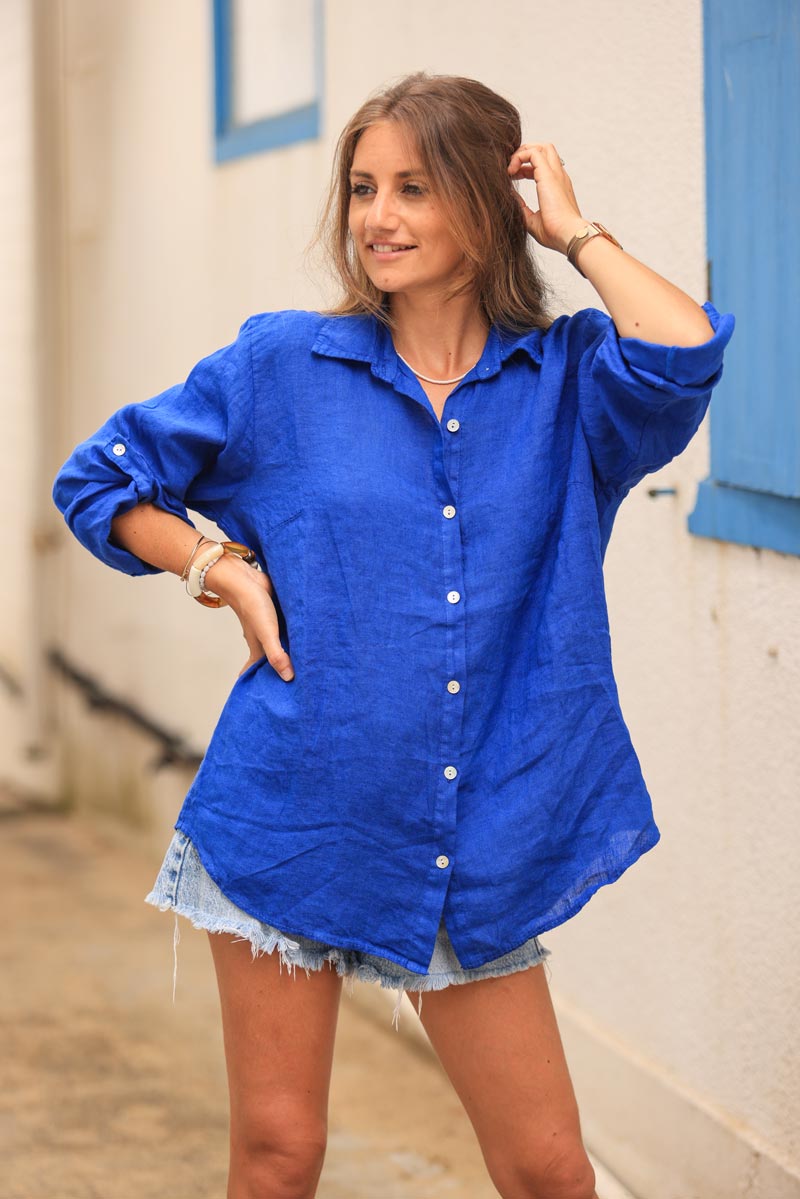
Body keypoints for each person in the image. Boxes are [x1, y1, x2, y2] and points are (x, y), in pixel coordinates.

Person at [53, 71, 733, 1199]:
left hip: (477, 844)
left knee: (550, 1168)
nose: (377, 216)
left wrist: (574, 231)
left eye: (414, 188)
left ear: (486, 202)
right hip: (290, 818)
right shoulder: (281, 367)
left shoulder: (568, 382)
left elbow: (680, 355)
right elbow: (102, 480)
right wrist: (216, 566)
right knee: (278, 1156)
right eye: (363, 187)